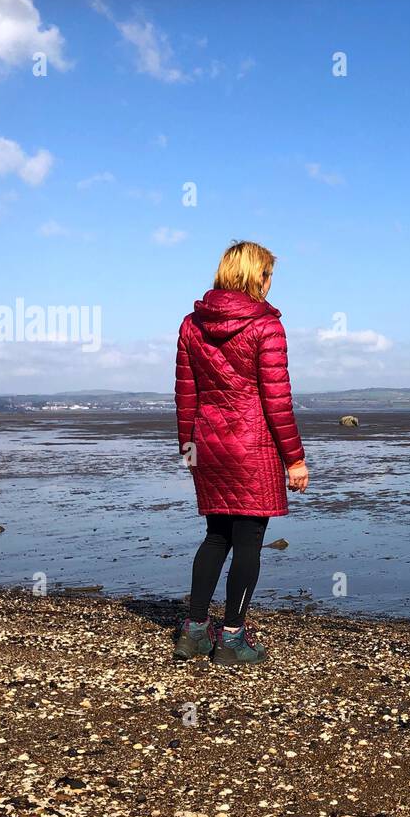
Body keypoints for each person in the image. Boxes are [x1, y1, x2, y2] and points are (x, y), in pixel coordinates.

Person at [172, 240, 309, 664]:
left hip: (207, 443)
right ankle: (231, 638)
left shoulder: (192, 324)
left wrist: (188, 448)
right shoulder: (267, 326)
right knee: (249, 542)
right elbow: (277, 400)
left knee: (216, 536)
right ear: (256, 275)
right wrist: (295, 459)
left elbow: (185, 394)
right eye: (268, 275)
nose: (270, 284)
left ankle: (195, 632)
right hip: (253, 448)